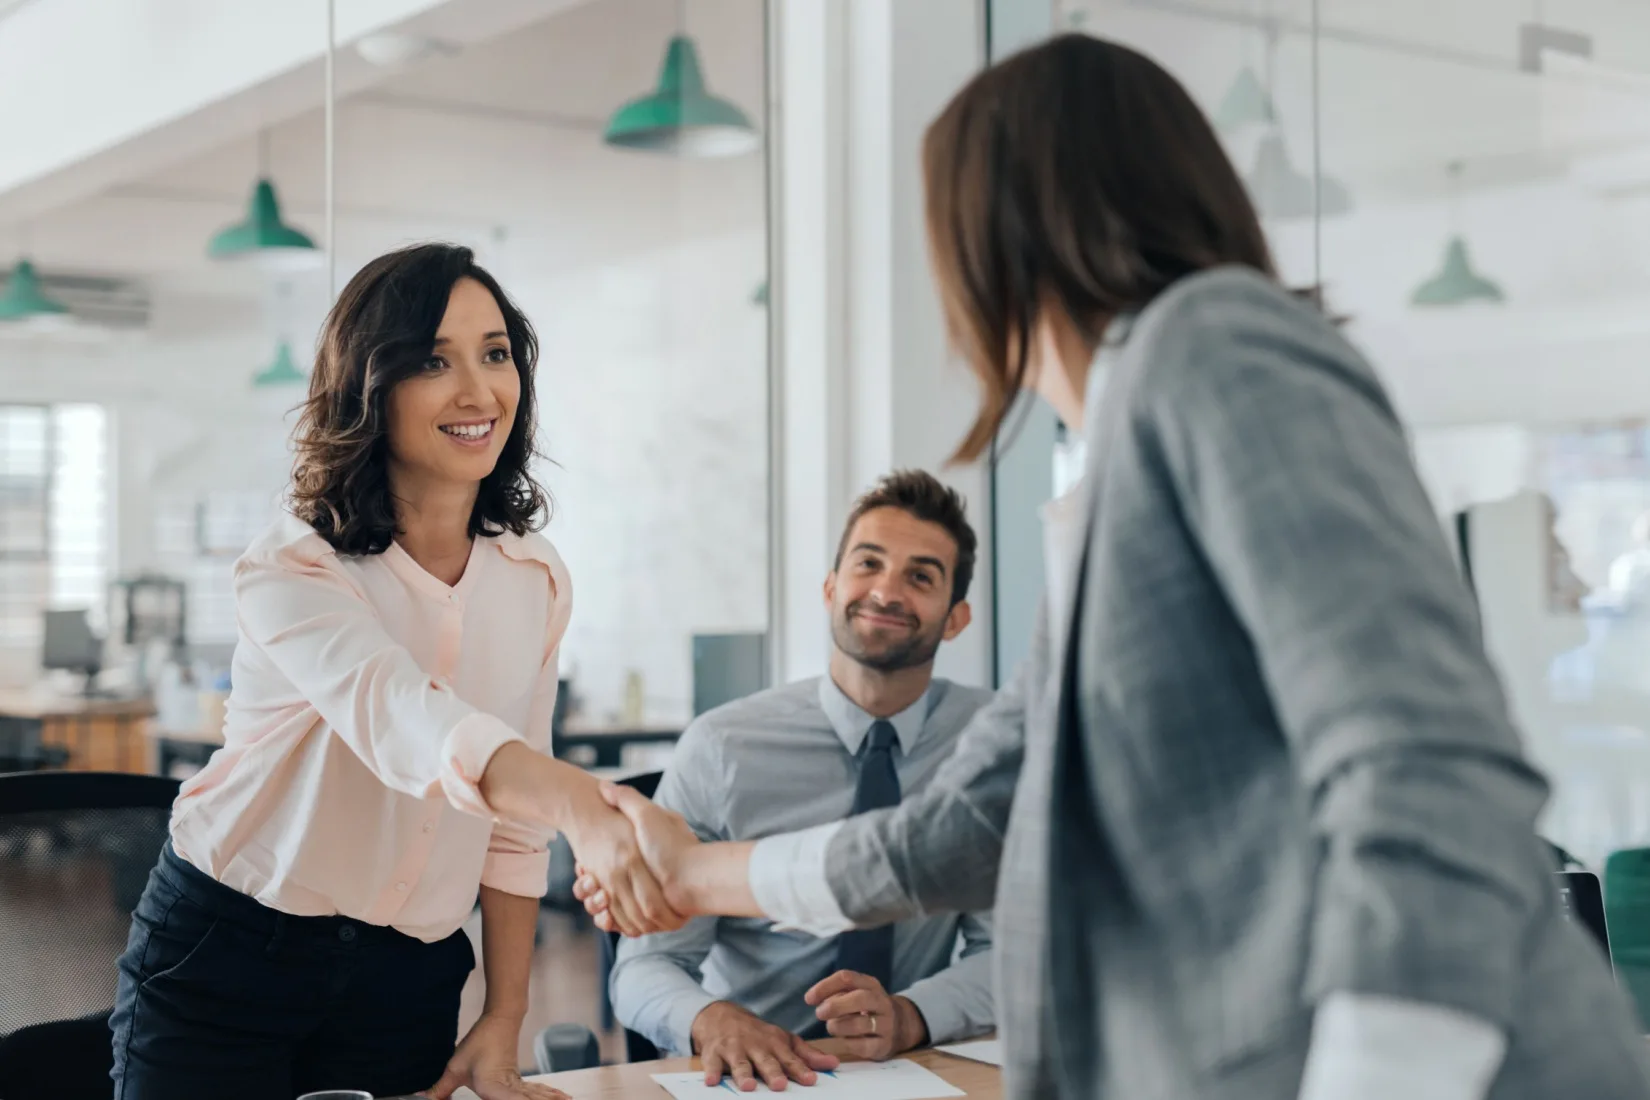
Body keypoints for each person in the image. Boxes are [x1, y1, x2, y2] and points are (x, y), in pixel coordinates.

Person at [577, 34, 1650, 1100]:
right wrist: (693, 871)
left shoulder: (1215, 343)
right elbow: (968, 827)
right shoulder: (1105, 492)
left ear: (996, 228)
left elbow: (1424, 764)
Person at [108, 243, 682, 1100]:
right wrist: (581, 805)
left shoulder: (535, 578)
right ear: (370, 388)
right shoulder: (295, 565)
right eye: (432, 362)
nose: (477, 390)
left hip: (406, 976)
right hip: (229, 950)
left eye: (495, 354)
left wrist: (504, 1013)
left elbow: (511, 831)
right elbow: (404, 719)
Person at [609, 470, 998, 1091]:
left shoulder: (991, 744)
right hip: (753, 1078)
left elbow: (1011, 949)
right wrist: (712, 1021)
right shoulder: (722, 747)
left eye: (920, 577)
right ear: (830, 588)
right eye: (868, 564)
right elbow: (646, 965)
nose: (886, 591)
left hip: (911, 1071)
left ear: (955, 618)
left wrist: (910, 1015)